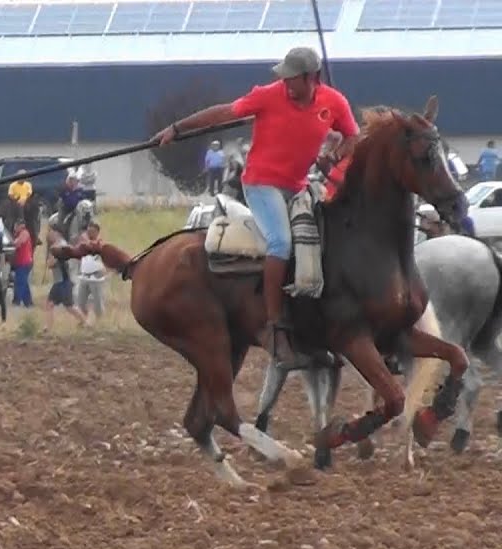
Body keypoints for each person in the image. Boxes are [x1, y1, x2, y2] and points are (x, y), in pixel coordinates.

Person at [153, 46, 359, 371]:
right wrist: (177, 129)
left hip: (298, 186)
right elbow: (223, 113)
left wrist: (338, 152)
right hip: (261, 184)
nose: (286, 84)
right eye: (284, 78)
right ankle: (274, 326)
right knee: (281, 242)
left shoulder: (334, 102)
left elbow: (353, 136)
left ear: (311, 78)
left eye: (293, 79)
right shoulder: (268, 96)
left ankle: (318, 322)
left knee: (327, 240)